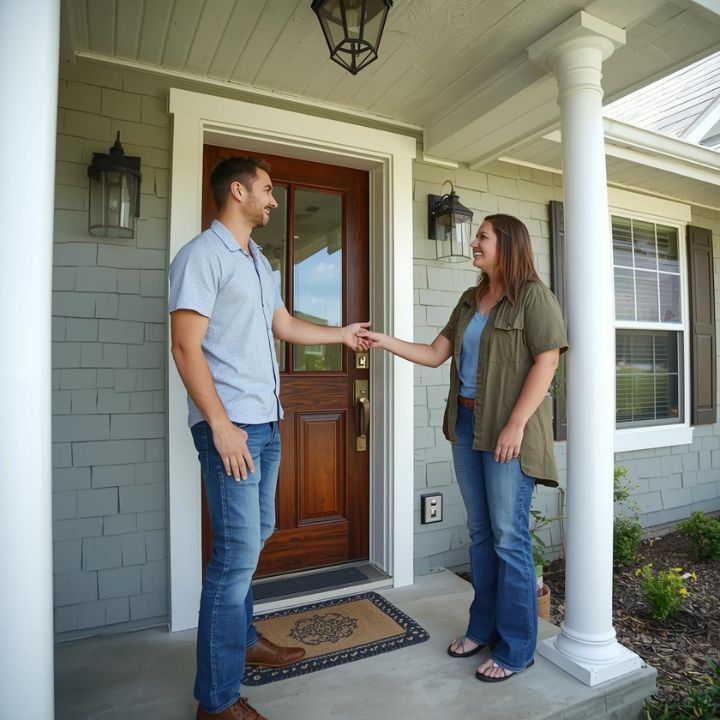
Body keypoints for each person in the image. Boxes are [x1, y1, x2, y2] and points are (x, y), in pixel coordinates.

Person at [169, 155, 370, 720]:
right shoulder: (201, 257)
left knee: (255, 538)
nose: (274, 201)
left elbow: (282, 324)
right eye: (266, 191)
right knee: (233, 559)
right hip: (229, 427)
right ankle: (218, 700)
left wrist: (341, 333)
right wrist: (220, 425)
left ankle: (246, 639)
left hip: (265, 421)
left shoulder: (257, 259)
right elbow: (186, 347)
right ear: (238, 192)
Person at [360, 214, 567, 682]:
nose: (473, 243)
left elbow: (547, 361)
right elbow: (436, 354)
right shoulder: (471, 299)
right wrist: (383, 340)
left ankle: (516, 649)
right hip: (468, 424)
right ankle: (482, 627)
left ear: (507, 245)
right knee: (481, 535)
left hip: (507, 429)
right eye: (477, 236)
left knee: (509, 537)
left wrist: (515, 424)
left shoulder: (534, 297)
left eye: (482, 237)